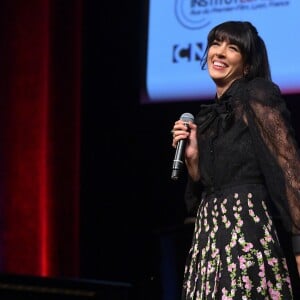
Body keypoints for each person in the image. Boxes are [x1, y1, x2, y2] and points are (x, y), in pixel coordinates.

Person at [171, 20, 300, 299]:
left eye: (232, 48)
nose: (219, 52)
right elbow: (197, 195)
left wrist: (299, 240)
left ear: (247, 64)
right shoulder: (205, 118)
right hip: (207, 235)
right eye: (216, 44)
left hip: (245, 228)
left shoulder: (258, 94)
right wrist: (193, 159)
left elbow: (288, 166)